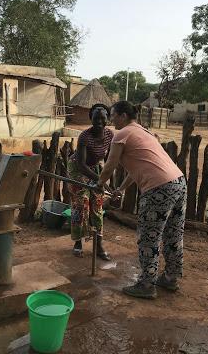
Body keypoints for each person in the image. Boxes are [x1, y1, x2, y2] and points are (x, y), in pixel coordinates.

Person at [97, 101, 187, 299]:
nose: (111, 120)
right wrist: (120, 189)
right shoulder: (143, 132)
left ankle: (147, 284)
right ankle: (171, 278)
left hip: (159, 189)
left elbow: (110, 165)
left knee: (149, 236)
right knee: (173, 233)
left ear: (122, 115)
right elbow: (135, 171)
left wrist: (99, 184)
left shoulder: (122, 134)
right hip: (178, 183)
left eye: (112, 115)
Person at [68, 104, 113, 260]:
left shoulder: (109, 135)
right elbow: (81, 165)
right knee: (81, 205)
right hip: (78, 168)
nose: (99, 121)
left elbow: (108, 160)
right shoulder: (84, 136)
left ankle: (99, 246)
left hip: (94, 170)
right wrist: (100, 180)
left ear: (108, 118)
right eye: (96, 118)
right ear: (91, 119)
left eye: (102, 118)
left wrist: (106, 180)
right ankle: (78, 243)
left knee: (97, 206)